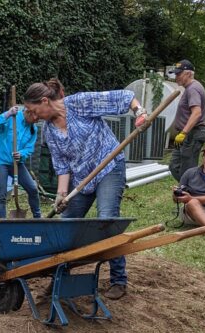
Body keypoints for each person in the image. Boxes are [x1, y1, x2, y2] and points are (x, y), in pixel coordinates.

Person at [23, 78, 148, 300]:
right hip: (82, 178)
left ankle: (119, 279)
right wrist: (62, 195)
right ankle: (59, 279)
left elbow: (123, 97)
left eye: (34, 111)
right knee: (66, 227)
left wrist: (139, 112)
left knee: (107, 219)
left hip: (108, 168)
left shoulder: (78, 103)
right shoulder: (49, 131)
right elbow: (61, 165)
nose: (34, 117)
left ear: (45, 101)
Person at [0, 105, 42, 219]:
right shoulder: (13, 118)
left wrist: (21, 154)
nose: (38, 119)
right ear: (29, 112)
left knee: (33, 189)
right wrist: (7, 114)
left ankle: (38, 218)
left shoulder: (33, 129)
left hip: (16, 163)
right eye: (37, 116)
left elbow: (29, 148)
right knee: (1, 196)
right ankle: (2, 225)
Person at [173, 143, 205, 248]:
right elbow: (176, 199)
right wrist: (176, 195)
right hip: (190, 211)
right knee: (192, 202)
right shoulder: (190, 172)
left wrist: (190, 197)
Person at [168, 59, 205, 182]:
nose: (177, 77)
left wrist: (184, 133)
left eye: (179, 74)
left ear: (189, 74)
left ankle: (193, 192)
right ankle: (192, 187)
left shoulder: (193, 89)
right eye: (176, 74)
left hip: (192, 134)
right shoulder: (190, 88)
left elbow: (196, 113)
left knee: (188, 171)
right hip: (187, 135)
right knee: (174, 166)